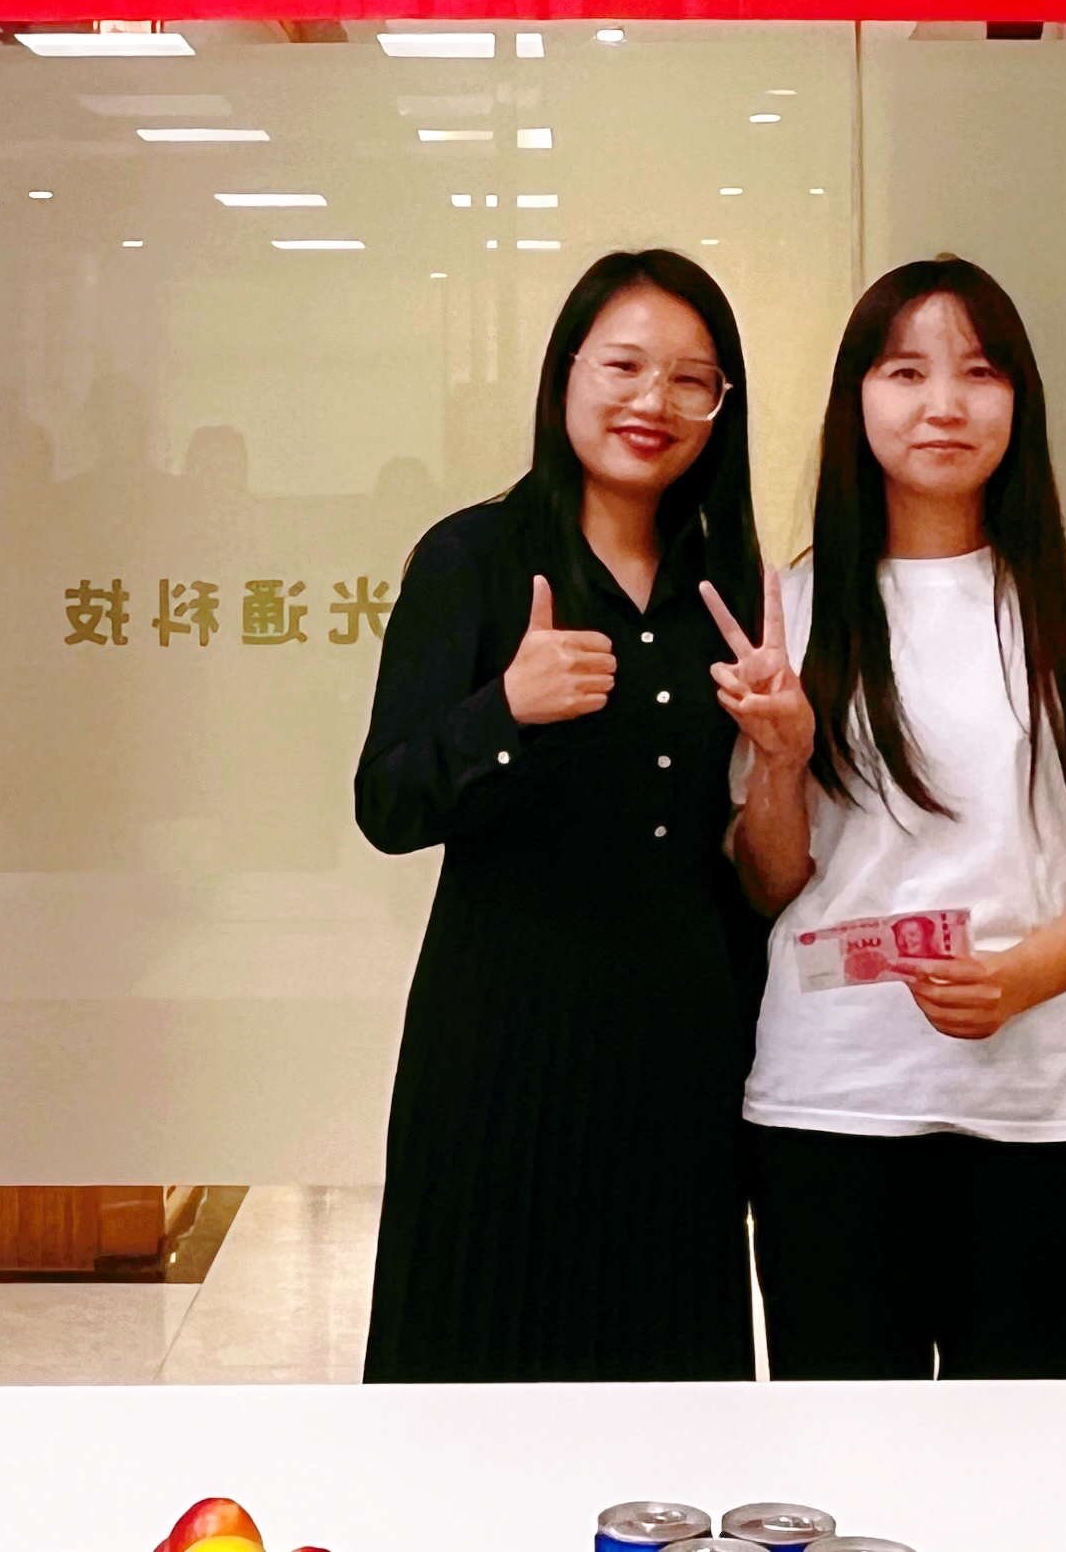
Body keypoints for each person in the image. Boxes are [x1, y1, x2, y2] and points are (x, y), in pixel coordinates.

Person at [709, 255, 1066, 1379]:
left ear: (1019, 402)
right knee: (844, 1455)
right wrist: (782, 761)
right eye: (905, 372)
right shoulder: (796, 604)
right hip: (831, 1107)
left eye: (979, 372)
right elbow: (769, 881)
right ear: (857, 401)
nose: (943, 404)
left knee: (1035, 1461)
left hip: (1045, 1111)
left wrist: (1020, 980)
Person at [353, 249, 771, 1380]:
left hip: (680, 1046)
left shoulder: (730, 582)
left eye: (691, 379)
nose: (653, 401)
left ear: (721, 406)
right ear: (566, 374)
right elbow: (386, 803)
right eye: (625, 365)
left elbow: (747, 852)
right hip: (502, 1034)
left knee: (666, 1381)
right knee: (474, 1360)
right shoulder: (473, 557)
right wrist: (505, 709)